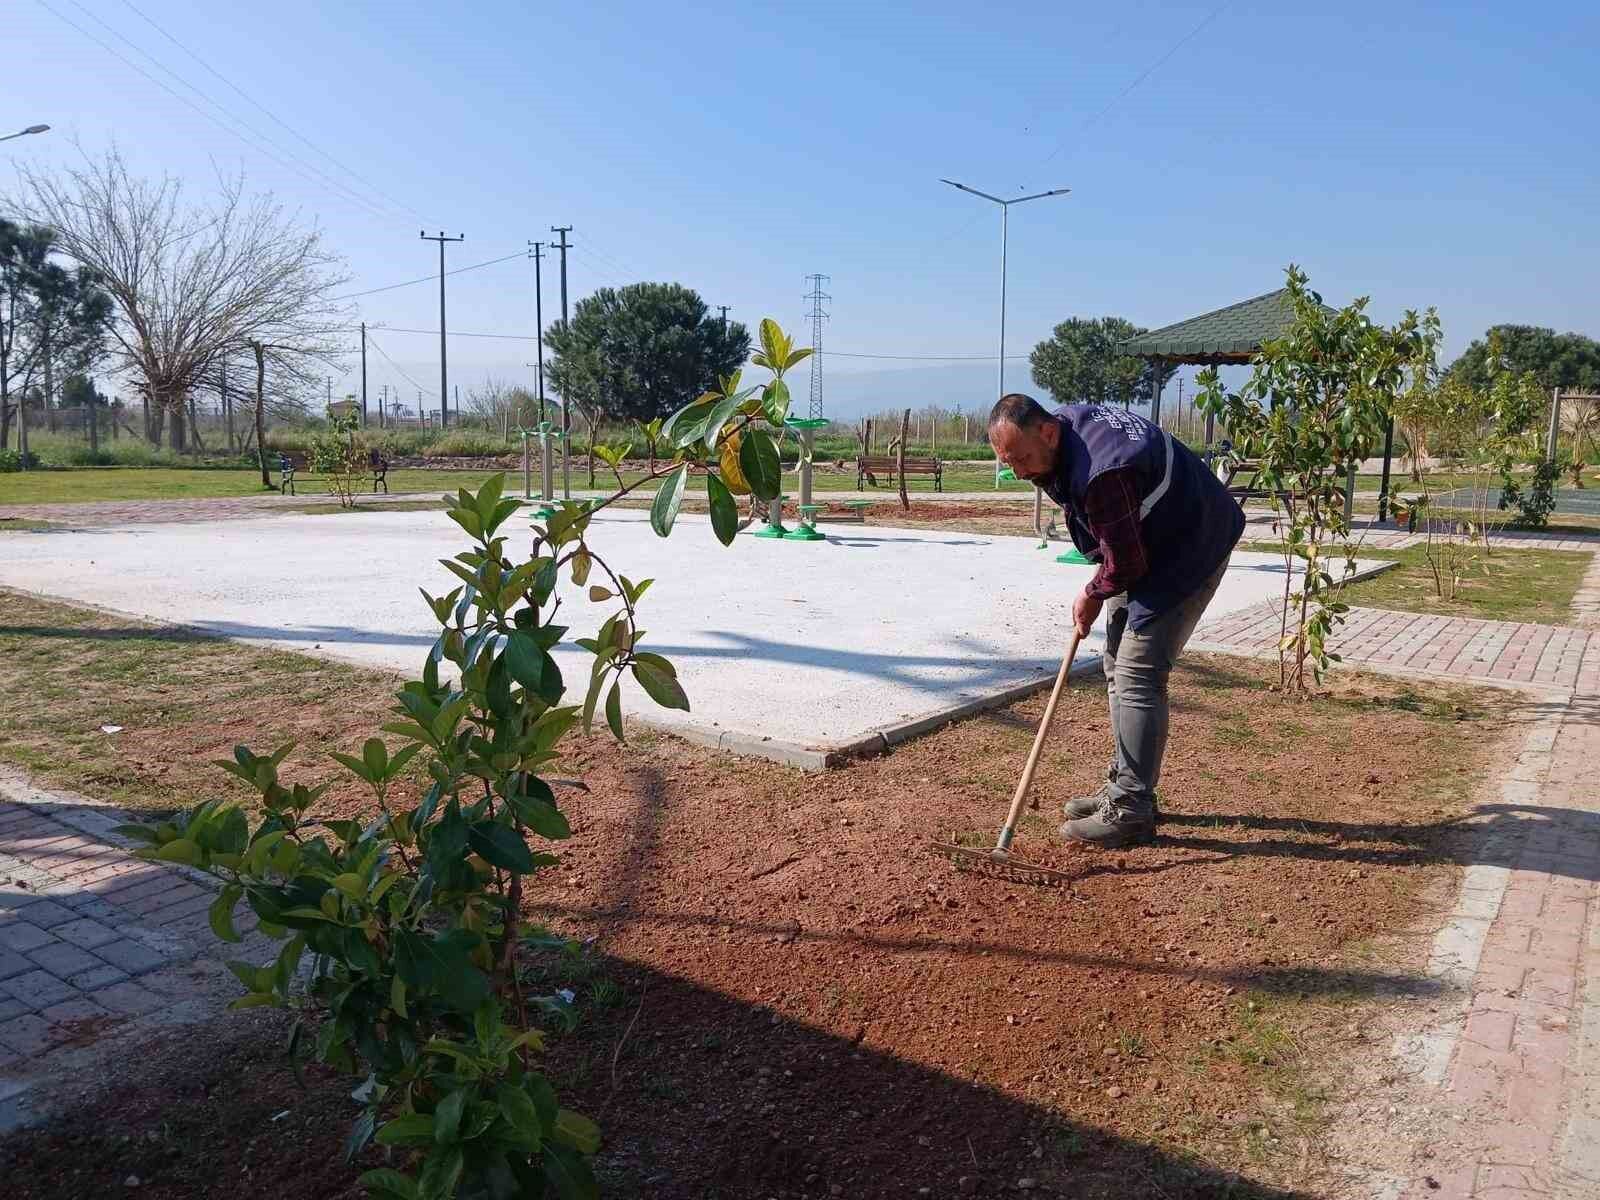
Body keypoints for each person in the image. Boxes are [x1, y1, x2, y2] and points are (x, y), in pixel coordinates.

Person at [987, 394, 1245, 848]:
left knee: (1139, 673)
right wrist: (1102, 577)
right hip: (1150, 540)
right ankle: (1126, 783)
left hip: (1191, 545)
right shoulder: (1064, 433)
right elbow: (1116, 541)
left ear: (1048, 432)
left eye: (1023, 459)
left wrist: (1092, 591)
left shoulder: (1103, 471)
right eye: (1009, 463)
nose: (1021, 472)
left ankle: (1131, 809)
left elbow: (1125, 561)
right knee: (1115, 665)